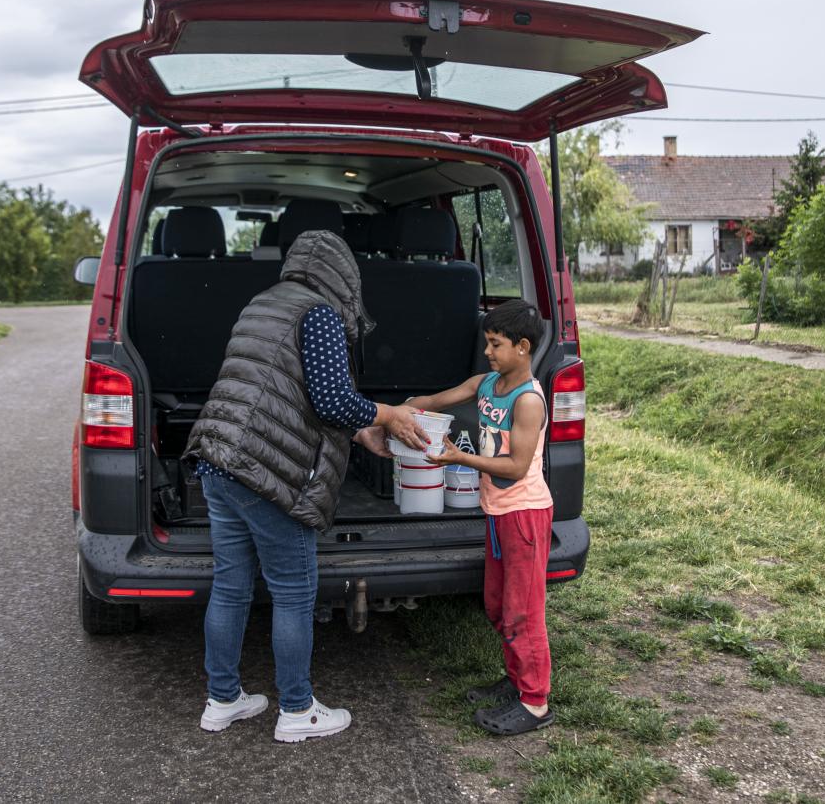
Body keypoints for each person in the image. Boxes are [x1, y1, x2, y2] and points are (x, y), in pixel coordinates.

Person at [183, 229, 430, 743]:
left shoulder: (264, 303)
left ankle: (222, 700)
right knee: (295, 593)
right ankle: (296, 709)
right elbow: (332, 401)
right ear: (343, 275)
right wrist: (387, 413)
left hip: (218, 457)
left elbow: (288, 387)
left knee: (231, 585)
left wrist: (361, 430)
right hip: (265, 471)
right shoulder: (317, 314)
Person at [411, 298, 556, 736]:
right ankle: (516, 680)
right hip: (497, 514)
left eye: (496, 344)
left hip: (525, 514)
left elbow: (515, 467)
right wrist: (403, 411)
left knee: (523, 614)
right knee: (496, 605)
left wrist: (459, 457)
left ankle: (535, 703)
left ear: (523, 347)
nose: (488, 351)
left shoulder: (528, 402)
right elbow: (436, 399)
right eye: (487, 343)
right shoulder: (487, 383)